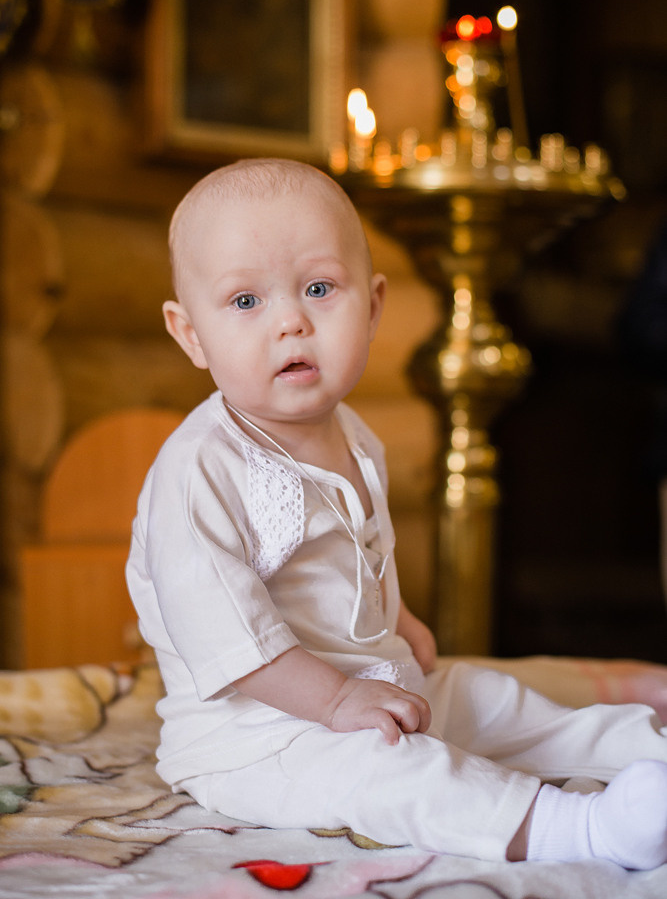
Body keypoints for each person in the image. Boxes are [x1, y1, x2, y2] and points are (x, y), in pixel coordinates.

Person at [126, 158, 667, 868]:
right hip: (262, 737)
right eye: (245, 302)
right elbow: (229, 640)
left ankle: (640, 747)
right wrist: (334, 702)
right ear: (189, 332)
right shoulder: (200, 471)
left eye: (319, 289)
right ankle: (580, 830)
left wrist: (396, 620)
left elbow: (361, 553)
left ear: (373, 306)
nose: (290, 321)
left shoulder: (352, 433)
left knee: (487, 698)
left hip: (366, 686)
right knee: (390, 775)